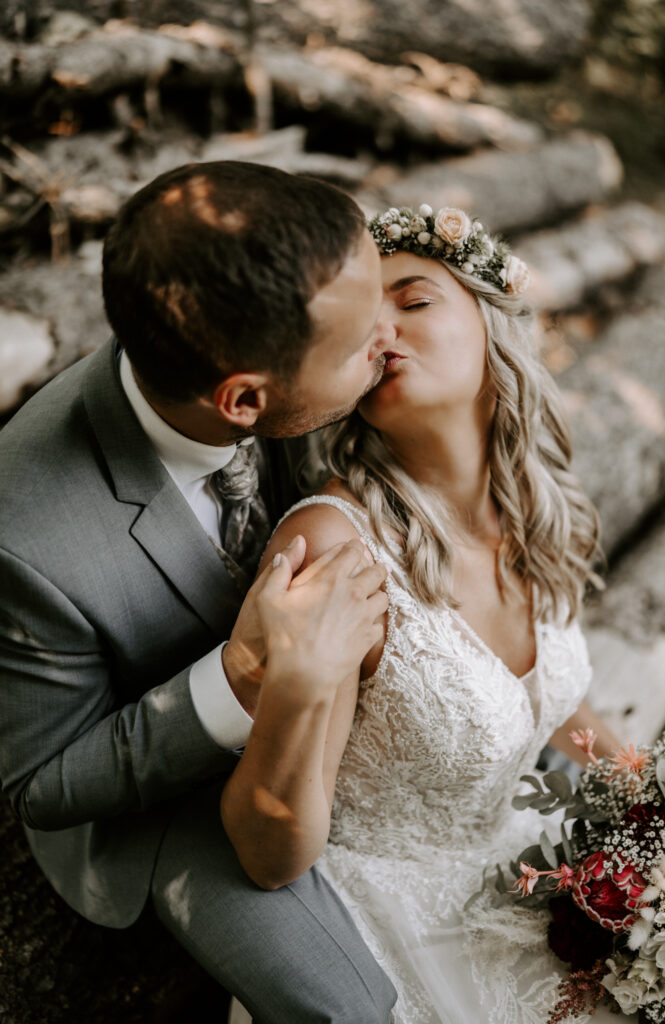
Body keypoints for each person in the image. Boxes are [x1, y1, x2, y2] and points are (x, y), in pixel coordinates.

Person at [0, 161, 399, 1023]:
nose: (387, 336)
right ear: (244, 399)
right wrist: (247, 670)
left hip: (348, 718)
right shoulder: (24, 540)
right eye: (361, 338)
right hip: (172, 794)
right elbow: (41, 784)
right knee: (353, 1006)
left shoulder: (257, 343)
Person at [221, 204, 624, 1023]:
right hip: (392, 944)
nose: (384, 333)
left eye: (412, 300)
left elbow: (549, 704)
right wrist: (297, 679)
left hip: (520, 896)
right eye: (362, 325)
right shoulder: (337, 549)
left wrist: (657, 801)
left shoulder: (535, 517)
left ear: (488, 317)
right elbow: (268, 853)